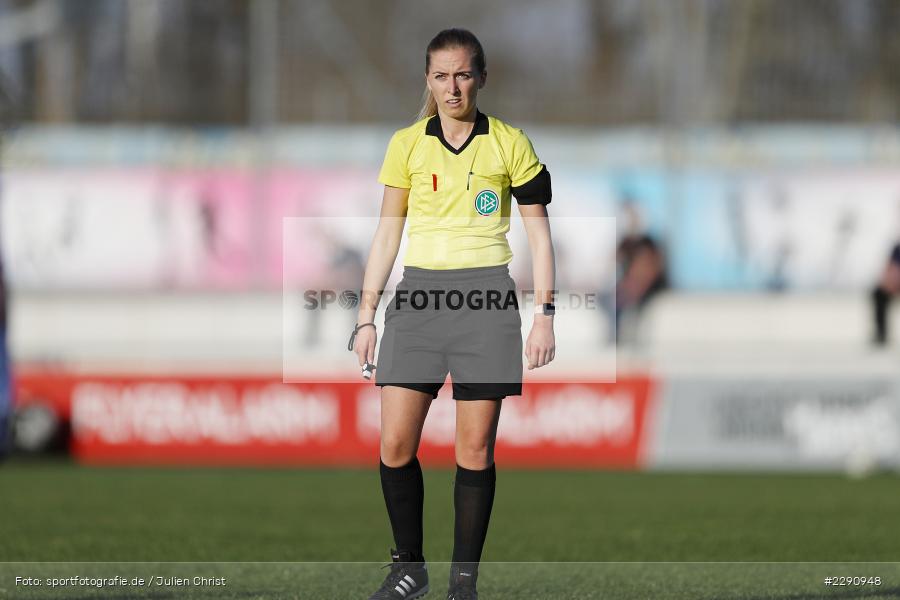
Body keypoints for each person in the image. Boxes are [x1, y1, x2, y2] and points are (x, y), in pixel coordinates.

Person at [350, 28, 555, 600]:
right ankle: (408, 569)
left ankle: (463, 582)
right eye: (441, 75)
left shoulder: (510, 143)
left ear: (482, 77)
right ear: (428, 81)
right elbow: (387, 233)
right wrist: (366, 316)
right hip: (417, 301)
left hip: (487, 301)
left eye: (463, 74)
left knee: (474, 450)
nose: (452, 87)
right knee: (394, 444)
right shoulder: (407, 145)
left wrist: (545, 314)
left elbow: (540, 236)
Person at [872, 238, 900, 346]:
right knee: (879, 293)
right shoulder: (897, 248)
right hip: (896, 282)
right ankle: (881, 333)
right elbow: (890, 267)